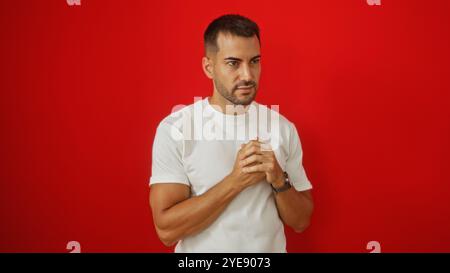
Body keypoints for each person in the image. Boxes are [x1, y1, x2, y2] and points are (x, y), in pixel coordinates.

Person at [149, 14, 314, 252]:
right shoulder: (176, 129)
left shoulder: (282, 127)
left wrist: (279, 179)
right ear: (209, 67)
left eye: (254, 61)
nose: (247, 75)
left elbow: (301, 221)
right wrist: (236, 181)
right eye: (233, 63)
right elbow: (167, 231)